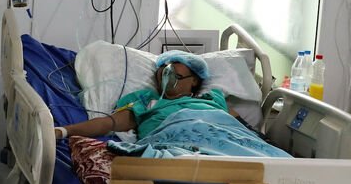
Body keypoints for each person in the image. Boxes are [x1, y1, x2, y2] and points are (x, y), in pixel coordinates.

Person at [53, 51, 236, 140]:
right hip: (175, 151)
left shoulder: (212, 99)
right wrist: (63, 131)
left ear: (195, 79)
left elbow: (239, 128)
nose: (167, 68)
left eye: (175, 63)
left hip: (226, 147)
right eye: (163, 66)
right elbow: (107, 123)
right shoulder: (148, 102)